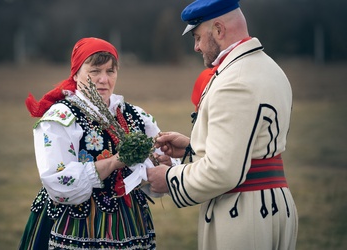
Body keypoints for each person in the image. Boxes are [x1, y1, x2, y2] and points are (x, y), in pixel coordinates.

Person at [147, 0, 298, 249]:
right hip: (272, 204)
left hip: (243, 212)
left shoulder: (234, 81)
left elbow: (223, 171)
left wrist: (170, 178)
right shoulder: (268, 67)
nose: (196, 47)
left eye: (197, 37)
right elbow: (251, 144)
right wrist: (191, 147)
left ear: (218, 30)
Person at [19, 37, 176, 250]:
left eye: (110, 71)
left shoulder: (136, 116)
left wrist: (161, 165)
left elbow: (160, 171)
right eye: (95, 71)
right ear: (76, 74)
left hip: (130, 222)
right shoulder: (61, 117)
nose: (104, 79)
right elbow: (58, 181)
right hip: (75, 222)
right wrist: (113, 163)